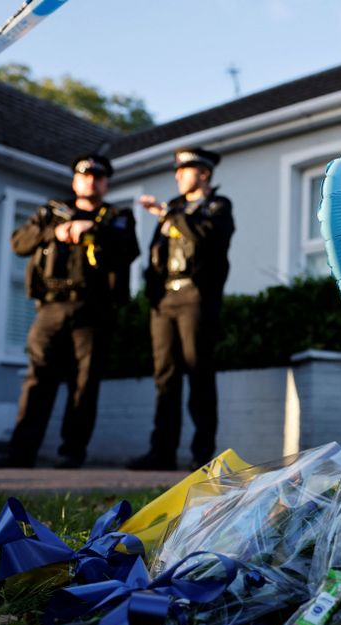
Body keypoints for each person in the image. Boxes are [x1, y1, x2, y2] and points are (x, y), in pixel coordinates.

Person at [0, 154, 139, 468]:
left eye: (98, 177)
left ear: (105, 183)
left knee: (84, 384)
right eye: (84, 175)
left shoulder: (117, 216)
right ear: (75, 181)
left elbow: (129, 249)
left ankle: (72, 453)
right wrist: (53, 233)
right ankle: (21, 453)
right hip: (51, 307)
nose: (91, 180)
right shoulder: (51, 212)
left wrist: (92, 230)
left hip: (93, 309)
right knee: (38, 378)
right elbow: (18, 243)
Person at [127, 147, 235, 471]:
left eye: (185, 169)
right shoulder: (173, 209)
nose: (177, 175)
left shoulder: (217, 206)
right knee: (165, 377)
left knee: (198, 372)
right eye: (177, 170)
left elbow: (206, 239)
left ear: (204, 173)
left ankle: (202, 455)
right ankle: (161, 452)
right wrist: (152, 293)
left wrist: (167, 214)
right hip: (165, 300)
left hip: (195, 297)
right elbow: (156, 253)